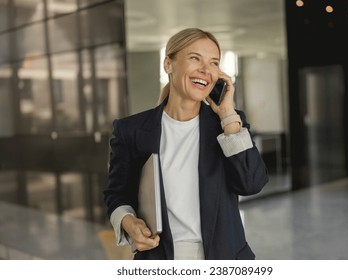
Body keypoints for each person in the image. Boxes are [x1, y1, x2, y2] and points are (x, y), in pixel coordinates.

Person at [103, 27, 268, 260]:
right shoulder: (131, 130)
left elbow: (251, 183)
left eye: (214, 63)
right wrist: (128, 221)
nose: (206, 70)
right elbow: (117, 194)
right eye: (194, 58)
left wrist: (228, 115)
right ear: (168, 64)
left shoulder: (229, 124)